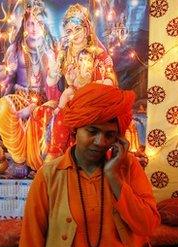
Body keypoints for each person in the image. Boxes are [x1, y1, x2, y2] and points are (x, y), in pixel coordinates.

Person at [15, 83, 160, 247]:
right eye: (92, 131)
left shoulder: (128, 167)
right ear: (75, 129)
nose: (101, 142)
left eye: (109, 135)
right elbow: (31, 238)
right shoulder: (50, 175)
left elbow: (148, 224)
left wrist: (114, 177)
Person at [42, 3, 118, 162]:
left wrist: (96, 85)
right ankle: (55, 153)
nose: (74, 34)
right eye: (69, 31)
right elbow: (51, 81)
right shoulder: (64, 53)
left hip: (93, 98)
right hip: (71, 97)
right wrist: (55, 69)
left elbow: (111, 79)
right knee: (62, 114)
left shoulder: (97, 52)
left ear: (87, 28)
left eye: (78, 29)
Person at [0, 3, 60, 171]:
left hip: (43, 103)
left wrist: (53, 71)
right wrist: (5, 72)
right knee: (1, 109)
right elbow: (3, 77)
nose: (34, 27)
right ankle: (19, 158)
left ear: (44, 25)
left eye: (38, 23)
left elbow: (55, 86)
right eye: (30, 23)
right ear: (24, 25)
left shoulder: (51, 50)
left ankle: (33, 157)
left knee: (47, 126)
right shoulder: (15, 48)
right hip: (20, 96)